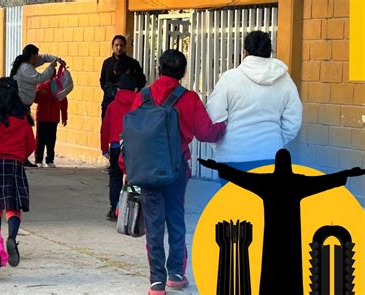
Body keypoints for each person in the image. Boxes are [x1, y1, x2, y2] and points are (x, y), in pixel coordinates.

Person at [121, 49, 226, 295]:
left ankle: (156, 282)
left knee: (154, 223)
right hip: (177, 170)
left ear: (158, 69)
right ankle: (176, 274)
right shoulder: (189, 99)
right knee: (176, 220)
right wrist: (224, 127)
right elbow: (206, 133)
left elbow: (131, 135)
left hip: (147, 169)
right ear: (183, 73)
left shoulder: (143, 96)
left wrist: (127, 167)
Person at [199, 149, 365, 295]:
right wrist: (347, 173)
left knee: (270, 269)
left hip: (272, 236)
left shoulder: (265, 182)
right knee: (292, 269)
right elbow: (324, 181)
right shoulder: (299, 182)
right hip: (292, 235)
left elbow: (239, 176)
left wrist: (217, 167)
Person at [206, 31, 303, 184]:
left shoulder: (229, 79)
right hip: (271, 156)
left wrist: (220, 146)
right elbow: (293, 120)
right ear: (269, 52)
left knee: (233, 207)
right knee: (264, 208)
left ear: (244, 52)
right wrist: (276, 140)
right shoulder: (285, 81)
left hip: (232, 158)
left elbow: (213, 117)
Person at [0, 77, 36, 267]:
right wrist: (18, 155)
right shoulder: (23, 119)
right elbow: (31, 145)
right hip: (15, 166)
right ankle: (11, 237)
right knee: (13, 206)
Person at [10, 44, 65, 167]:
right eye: (36, 56)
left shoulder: (29, 63)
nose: (38, 58)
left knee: (24, 132)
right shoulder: (26, 68)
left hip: (24, 105)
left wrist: (56, 59)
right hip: (20, 104)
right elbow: (40, 78)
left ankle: (22, 158)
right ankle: (21, 158)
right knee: (23, 132)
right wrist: (51, 67)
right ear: (32, 56)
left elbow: (44, 57)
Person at [100, 74, 137, 220]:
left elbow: (105, 128)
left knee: (115, 177)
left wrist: (104, 148)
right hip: (135, 147)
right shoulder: (139, 105)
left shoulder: (112, 106)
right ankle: (132, 210)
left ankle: (114, 208)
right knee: (134, 178)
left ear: (118, 89)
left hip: (116, 147)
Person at [99, 35, 146, 120]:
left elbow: (142, 80)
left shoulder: (133, 63)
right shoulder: (107, 63)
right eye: (116, 45)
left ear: (125, 47)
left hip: (128, 104)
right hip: (109, 102)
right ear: (112, 46)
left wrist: (135, 89)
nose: (119, 48)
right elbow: (102, 81)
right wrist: (110, 91)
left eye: (121, 45)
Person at [33, 70, 68, 168]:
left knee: (51, 140)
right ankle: (38, 160)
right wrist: (40, 93)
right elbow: (35, 99)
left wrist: (64, 117)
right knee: (40, 140)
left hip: (53, 118)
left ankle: (50, 160)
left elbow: (63, 101)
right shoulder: (41, 85)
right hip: (42, 117)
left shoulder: (58, 86)